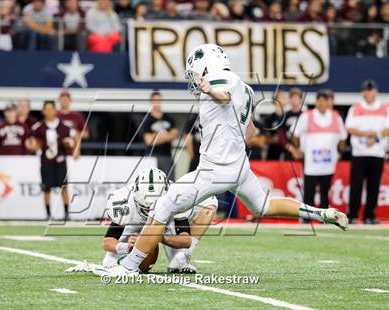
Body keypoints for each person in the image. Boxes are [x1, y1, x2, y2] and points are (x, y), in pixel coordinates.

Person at [103, 44, 348, 277]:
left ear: (207, 66)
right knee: (263, 205)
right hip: (239, 167)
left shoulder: (221, 79)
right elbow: (250, 134)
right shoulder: (248, 90)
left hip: (215, 169)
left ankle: (129, 266)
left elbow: (225, 95)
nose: (194, 80)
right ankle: (321, 213)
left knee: (163, 206)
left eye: (195, 73)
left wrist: (211, 90)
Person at [66, 168, 218, 274]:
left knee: (210, 203)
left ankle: (180, 258)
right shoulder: (124, 202)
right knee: (109, 264)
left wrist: (159, 237)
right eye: (146, 208)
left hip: (166, 226)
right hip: (135, 227)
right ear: (135, 197)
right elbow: (107, 242)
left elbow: (186, 240)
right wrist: (127, 247)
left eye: (154, 207)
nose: (150, 212)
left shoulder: (176, 196)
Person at [293, 90, 347, 211]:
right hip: (311, 161)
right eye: (320, 100)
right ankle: (307, 216)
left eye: (325, 100)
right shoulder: (307, 116)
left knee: (325, 191)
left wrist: (339, 152)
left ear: (328, 102)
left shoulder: (335, 117)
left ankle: (324, 216)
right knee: (309, 190)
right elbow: (295, 134)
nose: (322, 103)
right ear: (316, 102)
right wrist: (298, 149)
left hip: (328, 161)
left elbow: (343, 137)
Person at [345, 80, 389, 224]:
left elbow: (388, 128)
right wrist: (365, 135)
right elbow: (349, 128)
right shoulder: (356, 108)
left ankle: (369, 215)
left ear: (376, 91)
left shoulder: (384, 108)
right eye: (366, 90)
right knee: (356, 185)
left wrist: (375, 137)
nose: (369, 93)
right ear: (363, 92)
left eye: (371, 90)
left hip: (377, 152)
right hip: (359, 152)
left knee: (374, 186)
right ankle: (352, 215)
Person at [26, 100, 76, 220]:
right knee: (46, 188)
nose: (49, 111)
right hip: (46, 162)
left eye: (51, 109)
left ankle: (67, 213)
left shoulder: (64, 126)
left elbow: (73, 138)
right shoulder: (39, 127)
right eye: (46, 109)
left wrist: (70, 145)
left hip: (60, 161)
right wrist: (33, 146)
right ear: (43, 111)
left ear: (55, 110)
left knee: (63, 187)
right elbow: (32, 142)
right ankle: (48, 214)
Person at [143, 90, 179, 180]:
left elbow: (175, 135)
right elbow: (149, 141)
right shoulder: (147, 120)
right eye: (155, 101)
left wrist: (156, 136)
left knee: (169, 183)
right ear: (151, 102)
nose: (157, 103)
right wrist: (167, 135)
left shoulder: (169, 119)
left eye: (158, 100)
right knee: (152, 183)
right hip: (152, 157)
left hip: (167, 156)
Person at [57, 89, 88, 159]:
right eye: (62, 99)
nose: (64, 101)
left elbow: (86, 134)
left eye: (66, 99)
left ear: (70, 100)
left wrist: (74, 134)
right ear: (59, 100)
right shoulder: (55, 115)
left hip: (73, 152)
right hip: (57, 152)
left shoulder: (77, 115)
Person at [264, 90, 287, 160]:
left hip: (287, 155)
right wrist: (279, 139)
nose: (285, 99)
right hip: (273, 154)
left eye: (285, 98)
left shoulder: (288, 117)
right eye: (282, 97)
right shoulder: (269, 119)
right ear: (275, 100)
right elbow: (266, 138)